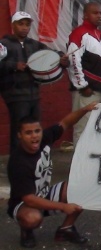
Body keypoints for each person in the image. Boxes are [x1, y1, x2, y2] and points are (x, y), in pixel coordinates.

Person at [7, 102, 97, 248]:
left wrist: (85, 109)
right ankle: (26, 229)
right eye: (28, 133)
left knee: (81, 189)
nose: (34, 136)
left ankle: (65, 229)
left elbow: (66, 122)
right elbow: (29, 199)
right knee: (32, 218)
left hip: (44, 194)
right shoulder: (18, 162)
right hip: (23, 204)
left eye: (37, 131)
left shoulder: (45, 138)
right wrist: (63, 206)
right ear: (19, 136)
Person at [0, 11, 69, 152]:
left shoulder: (34, 44)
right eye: (21, 24)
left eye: (27, 24)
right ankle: (17, 162)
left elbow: (52, 54)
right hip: (15, 95)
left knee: (35, 128)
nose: (24, 27)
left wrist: (61, 58)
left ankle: (32, 159)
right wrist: (14, 65)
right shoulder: (4, 44)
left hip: (34, 95)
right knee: (19, 130)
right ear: (13, 25)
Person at [66, 2, 101, 146]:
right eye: (95, 13)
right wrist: (82, 86)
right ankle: (79, 168)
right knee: (83, 129)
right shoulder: (79, 34)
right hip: (87, 92)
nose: (99, 16)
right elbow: (73, 61)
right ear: (85, 15)